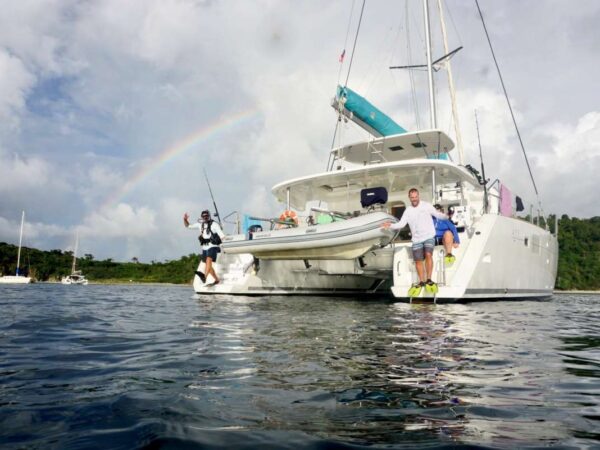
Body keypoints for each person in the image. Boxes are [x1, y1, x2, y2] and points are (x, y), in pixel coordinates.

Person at [381, 188, 447, 296]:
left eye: (416, 197)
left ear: (418, 196)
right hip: (416, 239)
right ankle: (421, 281)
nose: (414, 199)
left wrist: (446, 216)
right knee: (418, 261)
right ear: (409, 198)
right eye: (412, 197)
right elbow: (401, 224)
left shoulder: (426, 205)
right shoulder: (408, 210)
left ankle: (429, 280)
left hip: (429, 236)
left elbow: (437, 214)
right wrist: (390, 225)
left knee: (428, 254)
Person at [184, 210, 225, 286]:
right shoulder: (200, 224)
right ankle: (216, 280)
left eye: (206, 216)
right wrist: (185, 219)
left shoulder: (214, 224)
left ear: (209, 216)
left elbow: (222, 235)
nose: (205, 217)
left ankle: (204, 277)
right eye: (203, 216)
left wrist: (224, 245)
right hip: (205, 247)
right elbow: (188, 226)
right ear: (201, 217)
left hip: (213, 246)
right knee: (208, 266)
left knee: (208, 260)